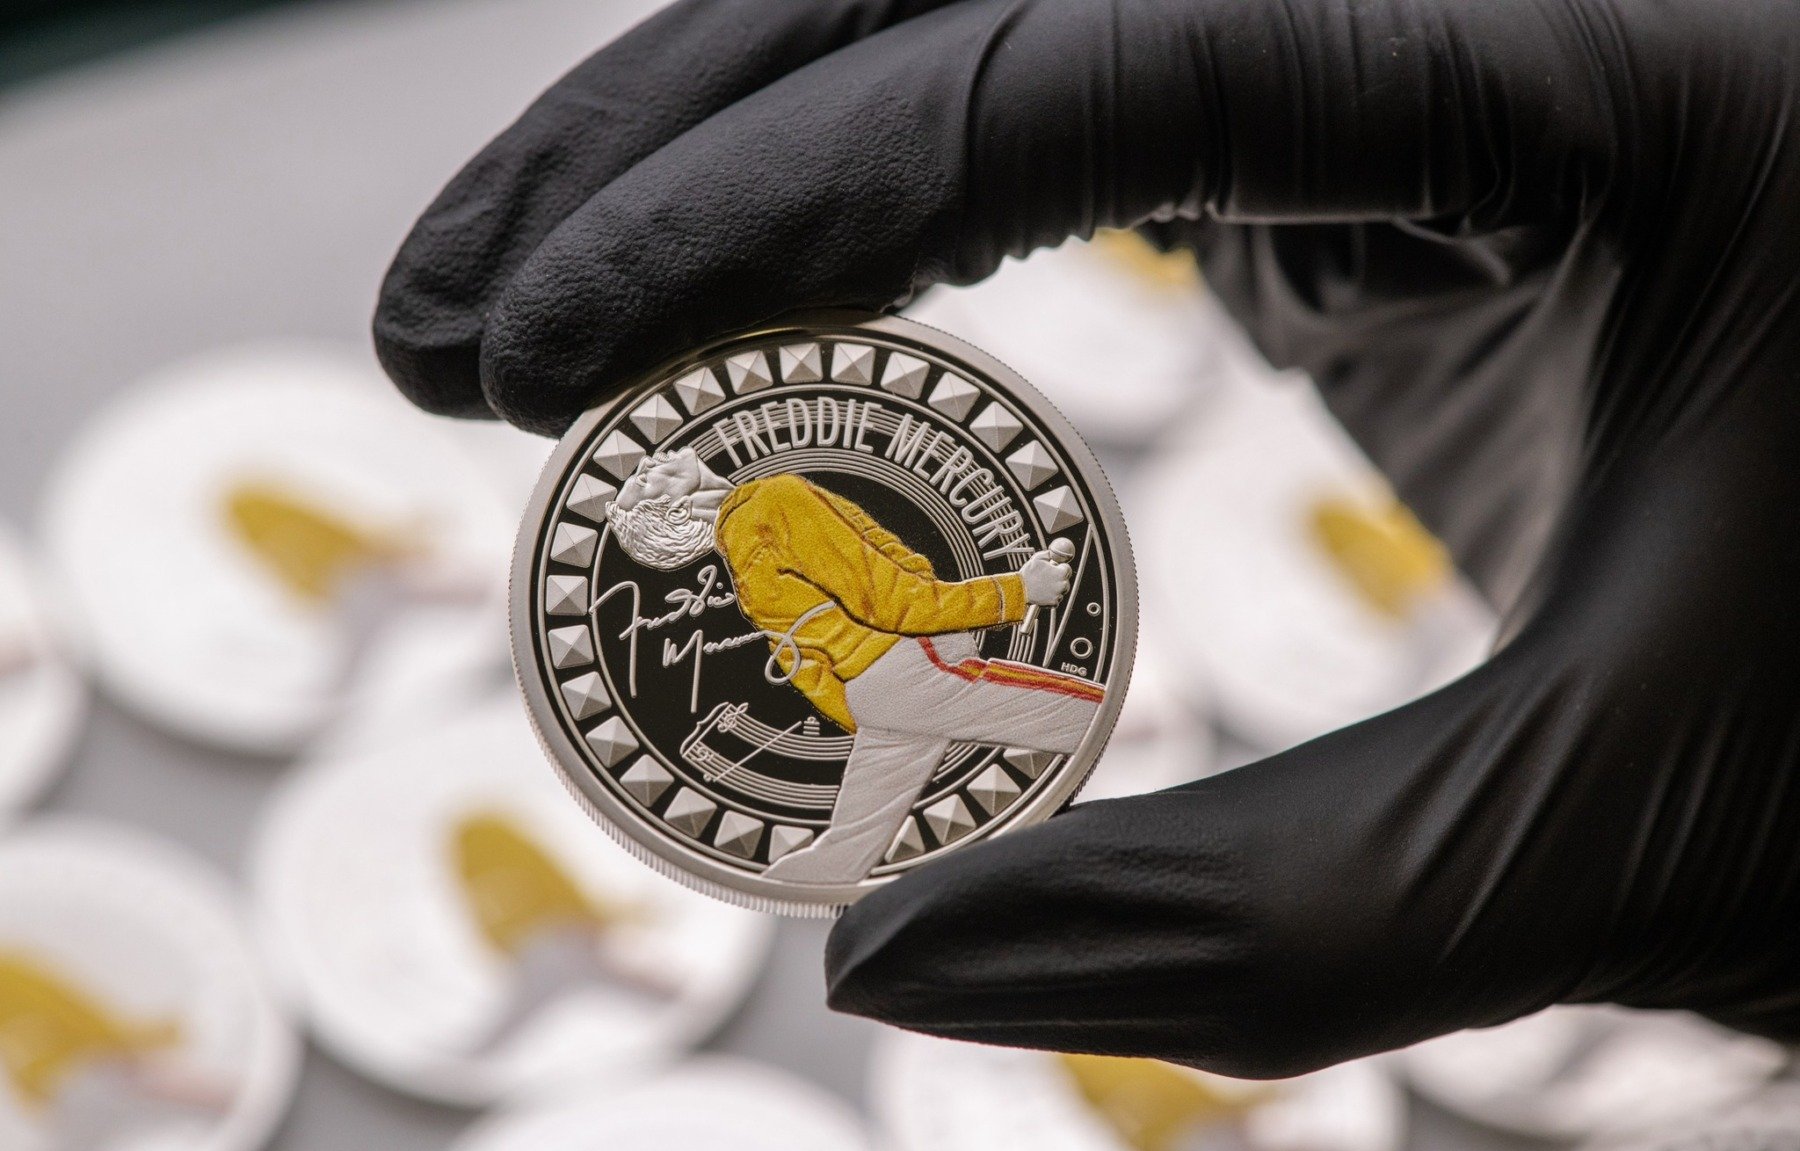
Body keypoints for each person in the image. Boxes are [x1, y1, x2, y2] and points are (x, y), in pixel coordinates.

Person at [374, 0, 1800, 1076]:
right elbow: (892, 592)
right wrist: (1017, 582)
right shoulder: (777, 509)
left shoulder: (758, 521)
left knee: (963, 760)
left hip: (862, 684)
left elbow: (879, 590)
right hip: (882, 675)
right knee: (1014, 726)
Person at [606, 447, 1093, 884]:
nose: (646, 461)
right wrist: (1017, 592)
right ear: (677, 509)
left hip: (873, 695)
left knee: (839, 859)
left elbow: (804, 666)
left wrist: (874, 714)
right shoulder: (770, 504)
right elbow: (892, 601)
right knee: (1092, 714)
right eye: (644, 480)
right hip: (910, 666)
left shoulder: (742, 558)